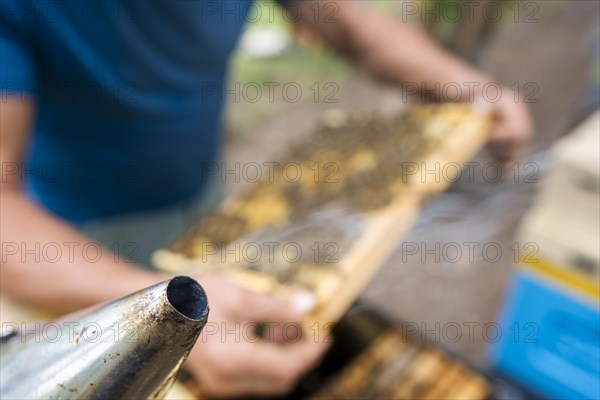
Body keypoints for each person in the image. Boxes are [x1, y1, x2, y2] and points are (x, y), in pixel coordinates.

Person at [0, 0, 532, 397]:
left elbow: (343, 20)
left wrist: (466, 89)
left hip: (208, 201)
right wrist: (171, 312)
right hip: (66, 241)